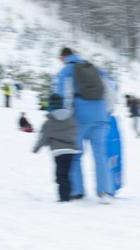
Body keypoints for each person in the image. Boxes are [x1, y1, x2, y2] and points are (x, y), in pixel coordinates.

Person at [55, 47, 115, 202]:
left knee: (75, 155)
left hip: (79, 118)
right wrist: (107, 111)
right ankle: (105, 192)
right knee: (100, 155)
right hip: (101, 116)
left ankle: (77, 191)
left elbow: (64, 96)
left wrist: (65, 117)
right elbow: (111, 89)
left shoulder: (67, 71)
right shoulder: (94, 68)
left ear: (63, 57)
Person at [32, 94, 79, 202]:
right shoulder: (71, 119)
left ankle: (64, 198)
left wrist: (36, 148)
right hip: (71, 150)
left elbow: (43, 137)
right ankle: (68, 194)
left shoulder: (49, 122)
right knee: (66, 174)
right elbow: (75, 132)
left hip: (58, 151)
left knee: (60, 175)